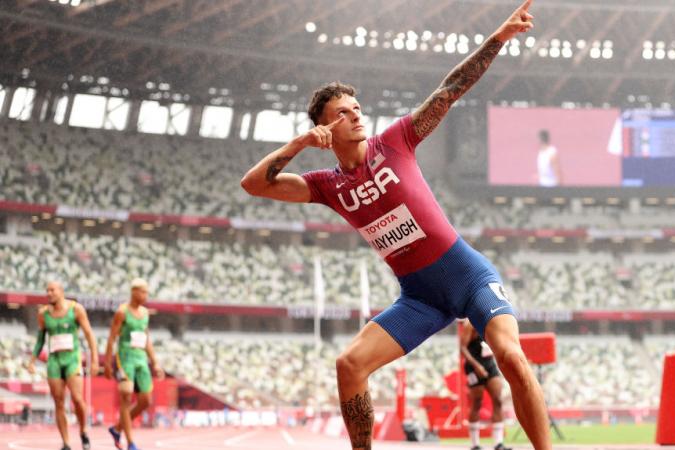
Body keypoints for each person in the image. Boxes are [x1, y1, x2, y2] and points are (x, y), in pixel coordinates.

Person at [240, 1, 550, 449]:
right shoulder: (325, 184)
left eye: (358, 107)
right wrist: (299, 142)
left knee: (513, 360)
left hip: (468, 277)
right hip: (420, 298)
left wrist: (497, 40)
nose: (357, 115)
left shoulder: (396, 141)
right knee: (349, 366)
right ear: (324, 129)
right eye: (344, 112)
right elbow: (254, 184)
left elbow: (449, 90)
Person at [25, 281, 99, 450]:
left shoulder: (76, 309)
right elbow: (40, 339)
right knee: (58, 402)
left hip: (72, 359)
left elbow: (89, 334)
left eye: (52, 290)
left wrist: (94, 359)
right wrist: (32, 360)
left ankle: (83, 431)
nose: (49, 293)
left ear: (61, 291)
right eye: (47, 290)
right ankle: (66, 443)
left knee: (78, 399)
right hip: (54, 361)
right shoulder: (43, 314)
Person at [104, 279, 164, 450]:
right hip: (125, 358)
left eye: (147, 292)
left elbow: (146, 339)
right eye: (143, 292)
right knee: (126, 395)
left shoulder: (145, 313)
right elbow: (111, 338)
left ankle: (117, 429)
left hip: (141, 358)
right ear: (134, 292)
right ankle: (130, 442)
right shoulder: (122, 312)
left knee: (145, 401)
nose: (146, 296)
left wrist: (155, 363)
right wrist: (107, 363)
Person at [461, 320, 510, 450]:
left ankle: (498, 443)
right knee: (477, 402)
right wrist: (477, 366)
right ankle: (475, 444)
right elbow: (463, 348)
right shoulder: (470, 324)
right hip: (473, 366)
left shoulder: (493, 321)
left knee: (498, 400)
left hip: (489, 364)